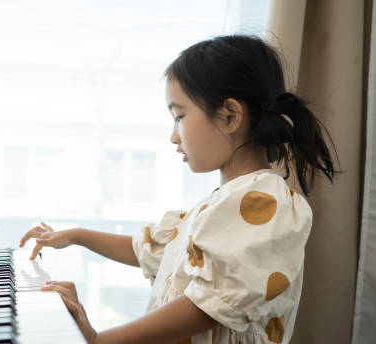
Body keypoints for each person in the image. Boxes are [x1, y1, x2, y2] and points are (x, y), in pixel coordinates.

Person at [18, 35, 337, 344]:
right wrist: (76, 236)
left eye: (179, 116)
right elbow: (151, 251)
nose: (173, 136)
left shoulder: (263, 203)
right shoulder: (225, 206)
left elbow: (207, 308)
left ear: (230, 116)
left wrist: (100, 339)